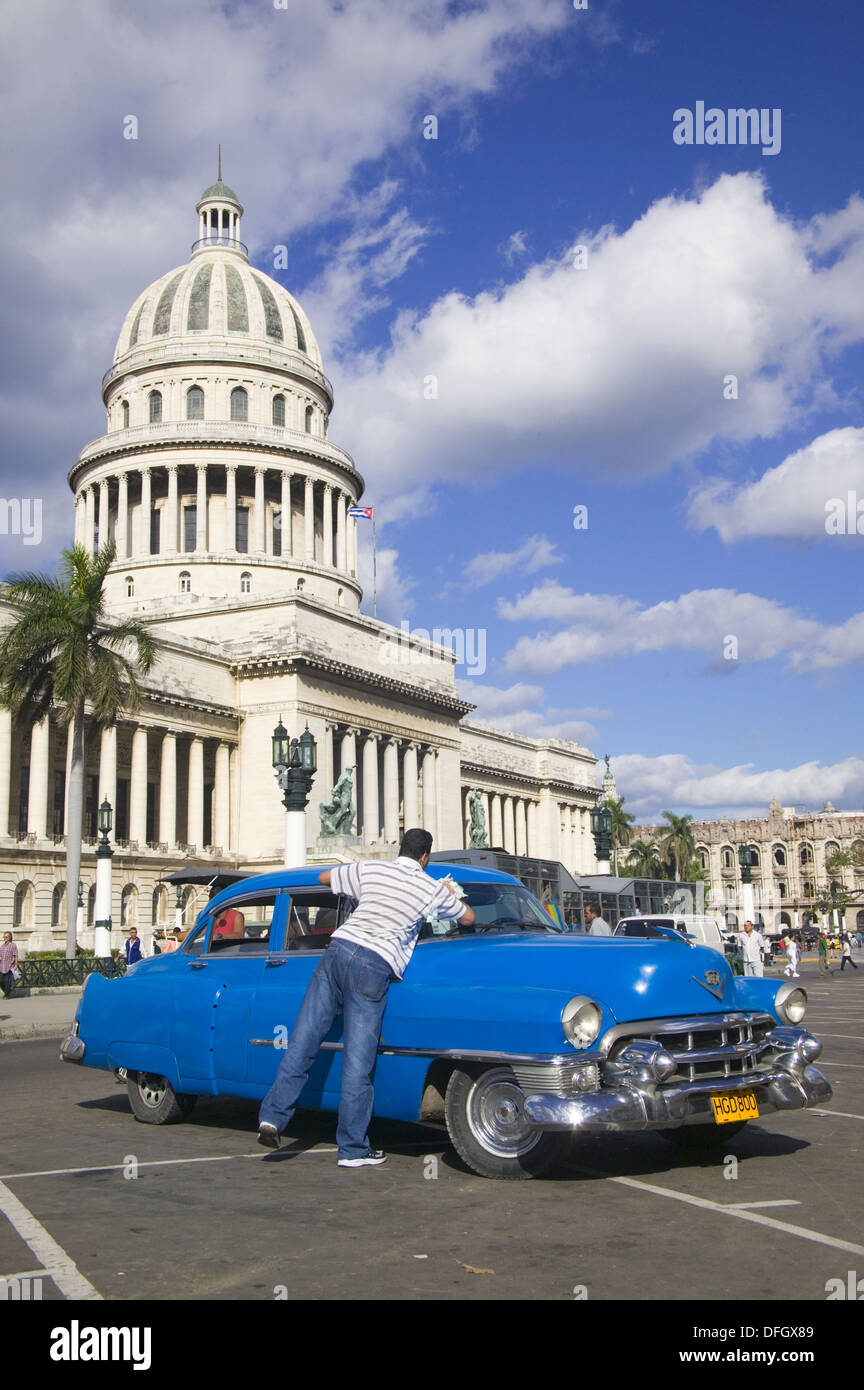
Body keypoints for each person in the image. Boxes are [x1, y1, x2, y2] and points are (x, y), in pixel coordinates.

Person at [257, 829, 476, 1167]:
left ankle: (272, 1117)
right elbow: (468, 918)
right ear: (425, 858)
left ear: (399, 849)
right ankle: (353, 1149)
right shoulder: (428, 887)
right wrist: (448, 894)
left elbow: (324, 876)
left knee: (303, 1040)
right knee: (358, 1062)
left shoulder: (372, 869)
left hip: (337, 950)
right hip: (374, 964)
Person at [0, 932, 19, 999]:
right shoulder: (2, 946)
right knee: (1, 982)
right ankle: (7, 992)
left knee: (7, 982)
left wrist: (16, 965)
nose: (5, 938)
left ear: (10, 937)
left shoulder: (13, 945)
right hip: (1, 967)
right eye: (4, 937)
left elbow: (15, 955)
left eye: (6, 937)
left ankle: (7, 995)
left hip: (9, 967)